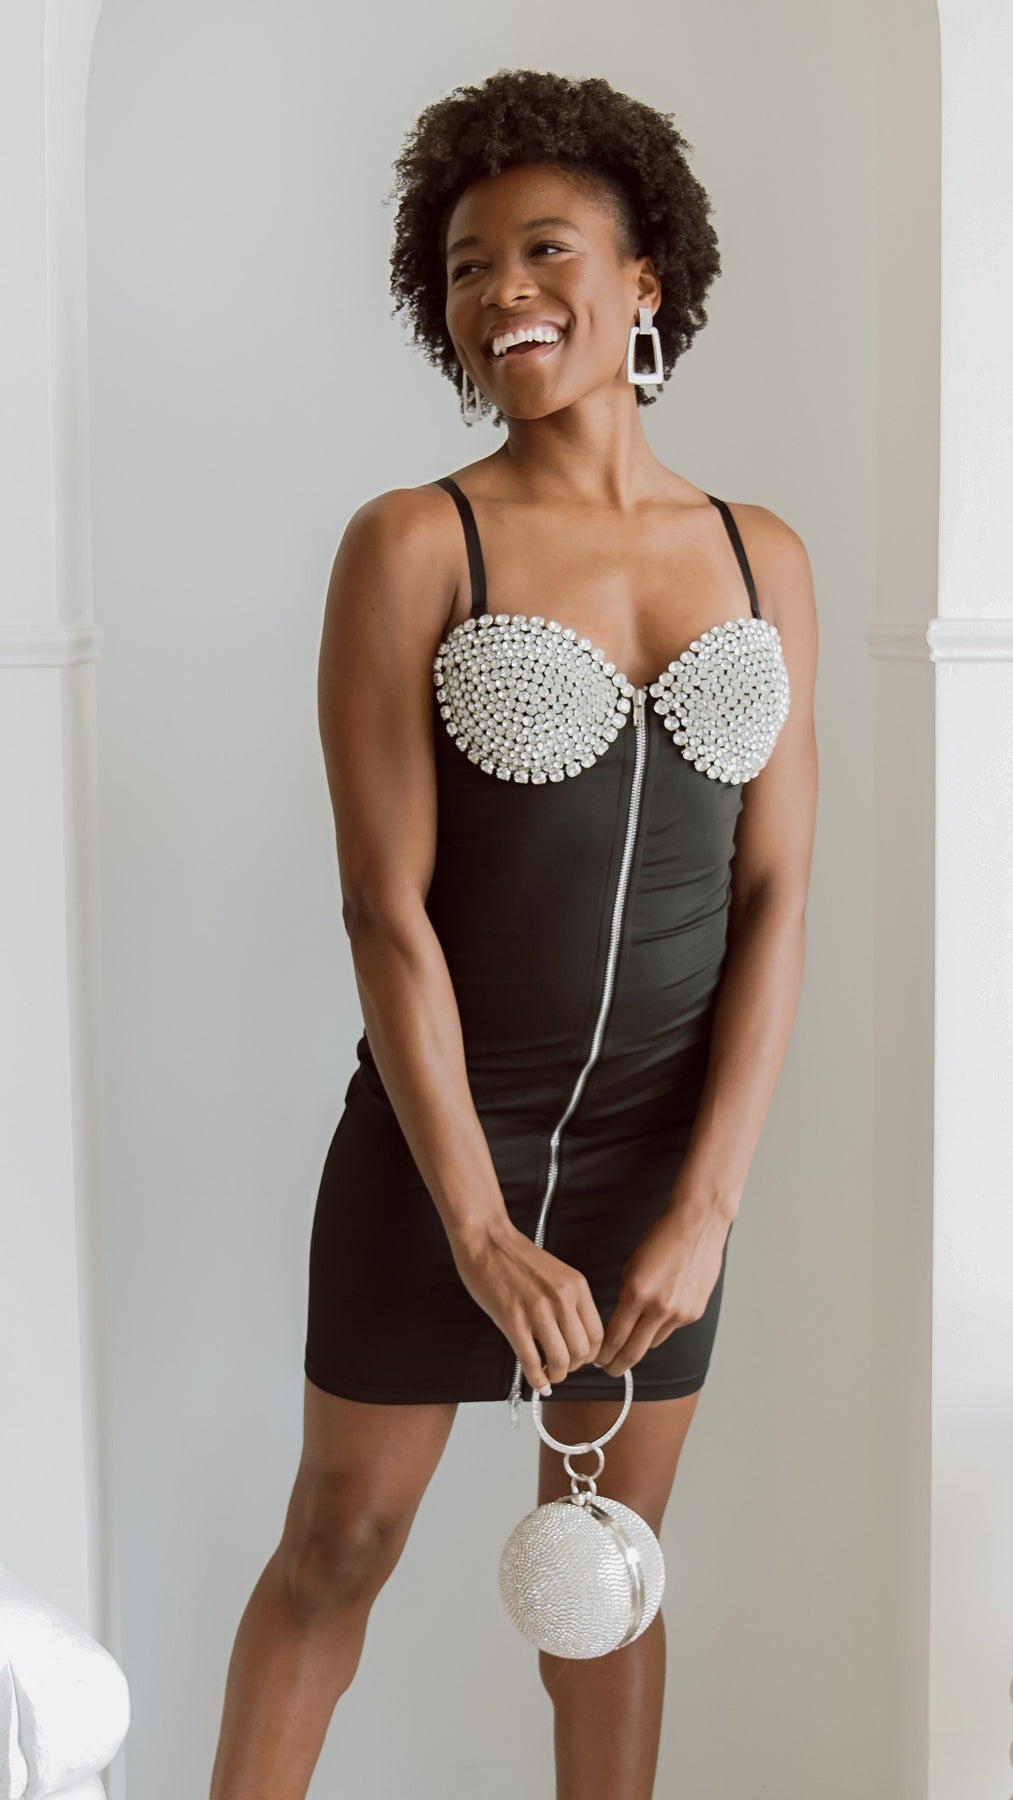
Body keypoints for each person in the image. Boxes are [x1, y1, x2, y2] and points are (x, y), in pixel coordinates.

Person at [209, 67, 817, 1800]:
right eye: (466, 267)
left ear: (644, 279)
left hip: (659, 1167)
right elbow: (382, 905)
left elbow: (775, 895)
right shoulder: (416, 542)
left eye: (544, 249)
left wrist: (705, 1208)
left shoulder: (761, 556)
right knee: (336, 1547)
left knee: (602, 1588)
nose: (501, 293)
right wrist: (474, 1222)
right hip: (438, 1152)